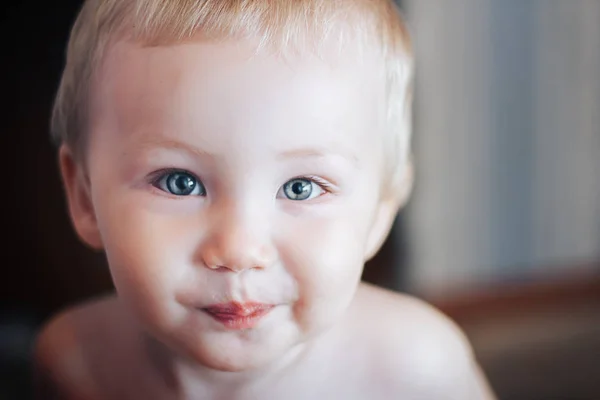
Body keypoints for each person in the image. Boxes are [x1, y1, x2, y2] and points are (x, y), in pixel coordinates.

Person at [34, 0, 496, 398]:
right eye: (180, 182)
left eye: (301, 187)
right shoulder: (77, 362)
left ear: (380, 212)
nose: (238, 251)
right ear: (85, 197)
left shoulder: (416, 368)